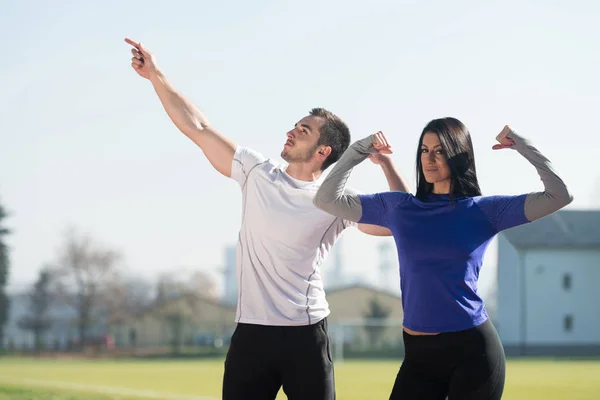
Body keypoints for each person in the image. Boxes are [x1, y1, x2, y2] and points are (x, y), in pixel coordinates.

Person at [123, 38, 411, 400]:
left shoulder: (335, 203)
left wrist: (386, 164)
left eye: (303, 130)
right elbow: (198, 126)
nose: (290, 132)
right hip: (251, 336)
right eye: (295, 125)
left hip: (306, 336)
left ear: (323, 151)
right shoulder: (257, 172)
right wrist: (156, 75)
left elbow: (399, 221)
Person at [313, 118, 573, 399]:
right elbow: (326, 199)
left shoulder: (484, 211)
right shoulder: (399, 208)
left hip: (473, 352)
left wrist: (523, 146)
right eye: (425, 150)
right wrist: (358, 151)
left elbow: (559, 195)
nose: (430, 159)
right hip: (418, 357)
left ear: (459, 156)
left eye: (440, 151)